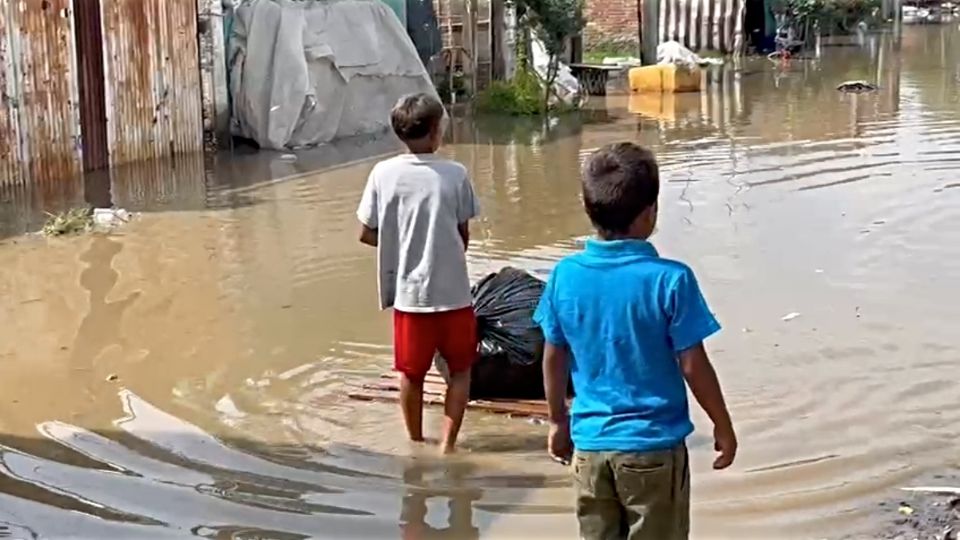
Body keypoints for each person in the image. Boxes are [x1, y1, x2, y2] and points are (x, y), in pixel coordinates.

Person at [533, 142, 737, 539]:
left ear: (588, 208)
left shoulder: (564, 276)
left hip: (590, 448)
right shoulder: (671, 280)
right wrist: (722, 425)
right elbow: (693, 365)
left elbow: (553, 357)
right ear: (650, 214)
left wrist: (558, 420)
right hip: (653, 449)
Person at [356, 93, 479, 454]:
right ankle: (447, 445)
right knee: (460, 371)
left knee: (411, 374)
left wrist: (403, 246)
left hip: (411, 299)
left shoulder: (383, 174)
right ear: (437, 132)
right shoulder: (455, 174)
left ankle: (414, 443)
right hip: (454, 295)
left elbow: (366, 232)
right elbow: (463, 235)